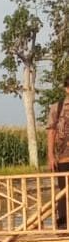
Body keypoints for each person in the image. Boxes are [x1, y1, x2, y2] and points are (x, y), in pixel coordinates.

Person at [47, 76, 69, 228]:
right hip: (63, 157)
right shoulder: (57, 107)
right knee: (63, 191)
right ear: (66, 88)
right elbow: (51, 132)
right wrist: (50, 155)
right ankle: (63, 224)